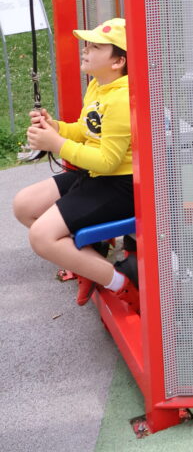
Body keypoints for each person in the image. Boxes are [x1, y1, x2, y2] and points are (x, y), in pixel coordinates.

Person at [12, 18, 139, 310]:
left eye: (95, 47)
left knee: (42, 238)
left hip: (119, 185)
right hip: (95, 175)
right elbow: (86, 130)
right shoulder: (98, 85)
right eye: (87, 44)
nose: (85, 50)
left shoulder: (121, 99)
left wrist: (56, 144)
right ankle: (89, 259)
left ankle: (123, 283)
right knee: (24, 205)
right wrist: (56, 127)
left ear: (118, 61)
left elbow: (108, 162)